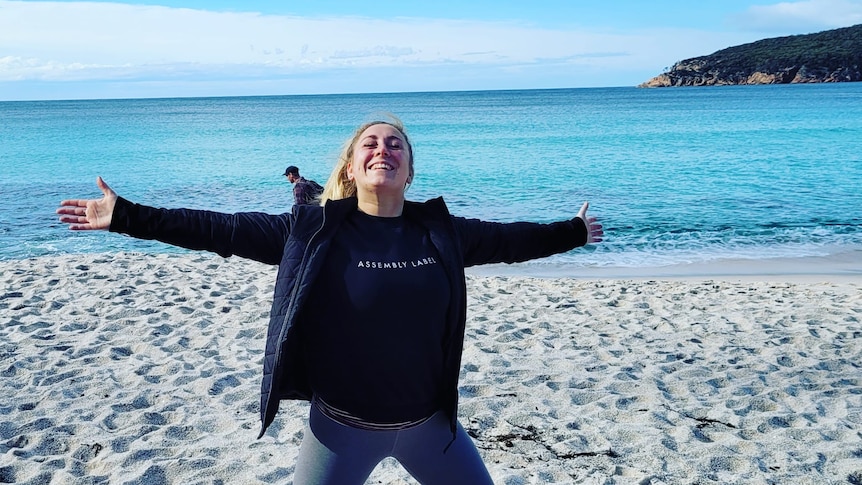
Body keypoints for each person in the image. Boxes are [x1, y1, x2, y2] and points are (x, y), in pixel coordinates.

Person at [57, 116, 603, 485]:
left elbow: (513, 241)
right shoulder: (311, 230)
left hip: (433, 428)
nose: (383, 149)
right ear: (350, 167)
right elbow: (218, 229)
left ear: (410, 170)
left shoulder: (444, 234)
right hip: (339, 429)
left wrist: (573, 232)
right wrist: (126, 217)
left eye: (396, 145)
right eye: (370, 143)